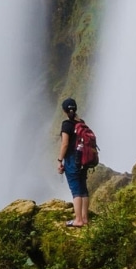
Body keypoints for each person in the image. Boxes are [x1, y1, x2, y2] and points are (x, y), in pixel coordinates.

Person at [56, 97, 90, 227]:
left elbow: (65, 144)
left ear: (64, 110)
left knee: (76, 190)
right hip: (84, 159)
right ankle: (85, 218)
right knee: (83, 189)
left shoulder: (67, 124)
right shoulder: (82, 123)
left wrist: (60, 161)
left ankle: (78, 220)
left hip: (72, 159)